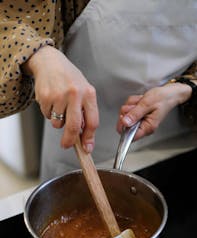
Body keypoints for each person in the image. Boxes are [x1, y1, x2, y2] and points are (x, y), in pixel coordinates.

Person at [0, 1, 197, 181]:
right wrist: (39, 55)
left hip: (180, 143)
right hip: (75, 146)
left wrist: (184, 87)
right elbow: (7, 20)